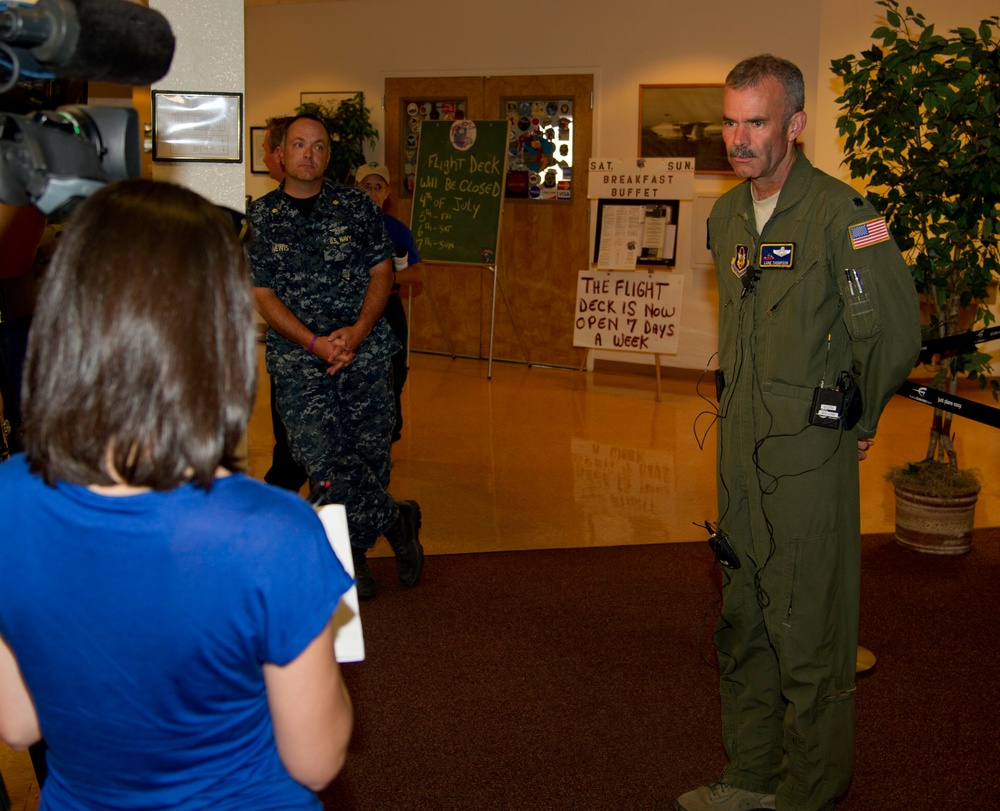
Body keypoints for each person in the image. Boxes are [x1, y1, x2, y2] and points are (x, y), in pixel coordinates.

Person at [0, 179, 354, 810]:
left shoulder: (8, 498)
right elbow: (318, 758)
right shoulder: (273, 531)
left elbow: (19, 722)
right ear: (214, 337)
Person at [675, 55, 920, 811]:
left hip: (810, 454)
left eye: (756, 122)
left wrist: (860, 416)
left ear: (796, 124)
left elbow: (894, 333)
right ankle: (752, 771)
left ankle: (810, 790)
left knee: (807, 620)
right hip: (739, 447)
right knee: (743, 611)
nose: (739, 139)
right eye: (730, 121)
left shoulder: (846, 215)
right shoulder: (724, 216)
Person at [248, 114, 424, 601]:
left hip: (365, 355)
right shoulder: (259, 217)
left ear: (329, 156)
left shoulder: (356, 207)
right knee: (323, 462)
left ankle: (355, 554)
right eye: (299, 144)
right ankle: (396, 516)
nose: (309, 153)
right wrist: (314, 342)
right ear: (281, 154)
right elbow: (262, 294)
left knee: (370, 458)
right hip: (300, 362)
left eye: (319, 146)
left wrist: (359, 332)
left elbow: (382, 271)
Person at [355, 161, 423, 442]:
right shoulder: (341, 226)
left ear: (387, 193)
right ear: (356, 190)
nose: (372, 193)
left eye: (378, 187)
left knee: (395, 370)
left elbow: (417, 274)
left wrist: (388, 279)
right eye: (367, 187)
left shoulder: (397, 230)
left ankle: (388, 431)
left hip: (388, 307)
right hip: (352, 310)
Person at [260, 115, 310, 492]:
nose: (264, 158)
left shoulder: (348, 208)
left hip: (340, 352)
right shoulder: (263, 215)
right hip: (291, 355)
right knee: (291, 451)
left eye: (266, 149)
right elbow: (261, 292)